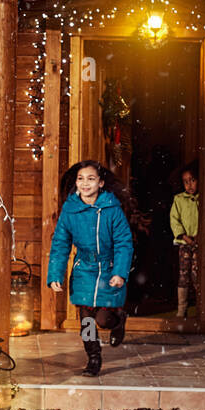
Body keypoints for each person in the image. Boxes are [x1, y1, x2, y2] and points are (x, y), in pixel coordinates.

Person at [46, 160, 135, 376]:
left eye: (91, 179)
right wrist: (55, 274)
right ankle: (93, 358)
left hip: (109, 267)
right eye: (80, 179)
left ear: (101, 183)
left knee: (103, 320)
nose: (85, 183)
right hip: (84, 268)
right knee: (86, 320)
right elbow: (60, 243)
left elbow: (124, 242)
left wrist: (120, 273)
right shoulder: (70, 209)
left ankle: (118, 321)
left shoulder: (112, 209)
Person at [170, 166, 199, 318]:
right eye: (186, 182)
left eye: (192, 180)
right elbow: (174, 220)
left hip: (200, 243)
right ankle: (182, 308)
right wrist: (183, 236)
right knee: (184, 274)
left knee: (197, 275)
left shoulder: (203, 200)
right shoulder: (179, 199)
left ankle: (201, 307)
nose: (189, 185)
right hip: (184, 243)